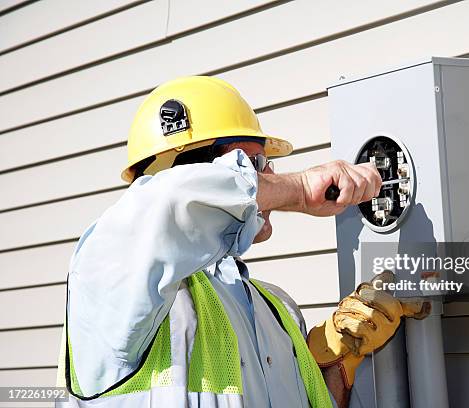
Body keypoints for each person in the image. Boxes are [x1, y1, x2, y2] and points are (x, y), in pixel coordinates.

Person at [56, 76, 428, 408]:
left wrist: (335, 362)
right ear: (189, 173)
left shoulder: (277, 309)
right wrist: (299, 189)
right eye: (251, 162)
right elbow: (169, 201)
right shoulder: (111, 282)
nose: (270, 176)